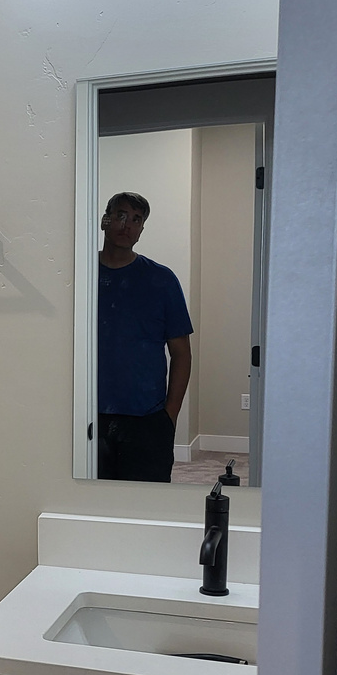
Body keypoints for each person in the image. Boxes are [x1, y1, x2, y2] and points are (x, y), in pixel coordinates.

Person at [96, 190, 193, 482]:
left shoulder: (161, 281)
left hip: (147, 419)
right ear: (105, 220)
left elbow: (181, 353)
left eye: (136, 220)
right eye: (121, 216)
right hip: (88, 418)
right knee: (90, 508)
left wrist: (169, 417)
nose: (127, 225)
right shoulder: (80, 274)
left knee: (145, 507)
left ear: (141, 230)